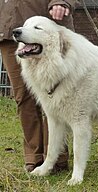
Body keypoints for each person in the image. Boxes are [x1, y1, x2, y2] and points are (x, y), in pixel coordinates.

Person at [0, 0, 79, 172]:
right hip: (8, 31)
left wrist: (61, 2)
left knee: (56, 98)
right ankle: (34, 157)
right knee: (24, 99)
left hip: (47, 30)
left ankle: (57, 158)